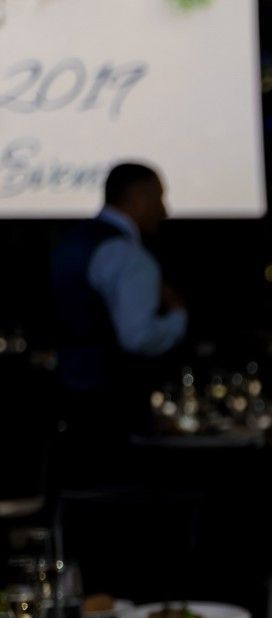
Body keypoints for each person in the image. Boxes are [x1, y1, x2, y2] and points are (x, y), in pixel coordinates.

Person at [50, 162, 187, 478]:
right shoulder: (128, 255)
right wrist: (178, 318)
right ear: (138, 196)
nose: (165, 210)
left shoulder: (69, 244)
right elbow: (138, 337)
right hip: (113, 412)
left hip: (68, 401)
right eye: (159, 197)